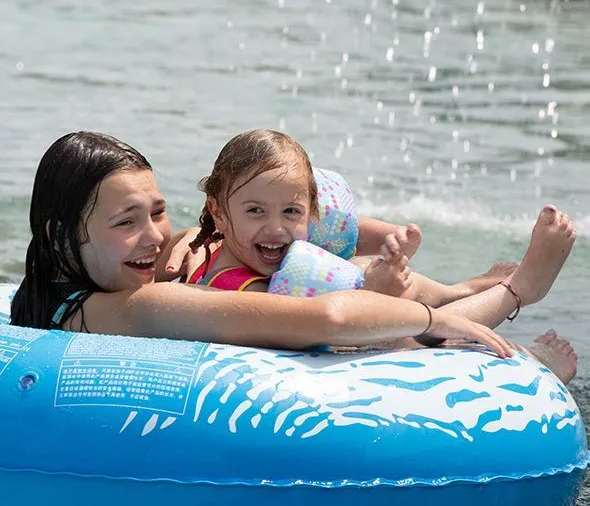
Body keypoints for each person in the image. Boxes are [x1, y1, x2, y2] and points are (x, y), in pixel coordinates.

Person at [9, 131, 577, 384]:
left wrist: (188, 240)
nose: (154, 235)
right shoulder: (133, 307)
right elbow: (328, 319)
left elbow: (180, 238)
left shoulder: (50, 293)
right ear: (62, 234)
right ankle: (516, 294)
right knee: (391, 335)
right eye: (126, 222)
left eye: (156, 212)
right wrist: (434, 318)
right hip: (318, 346)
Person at [183, 130, 550, 331]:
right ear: (219, 213)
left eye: (291, 211)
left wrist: (392, 239)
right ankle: (516, 291)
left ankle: (462, 288)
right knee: (419, 331)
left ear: (311, 211)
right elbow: (320, 331)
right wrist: (378, 295)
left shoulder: (246, 245)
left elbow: (344, 232)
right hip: (377, 335)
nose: (276, 227)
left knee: (369, 268)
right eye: (255, 211)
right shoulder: (248, 290)